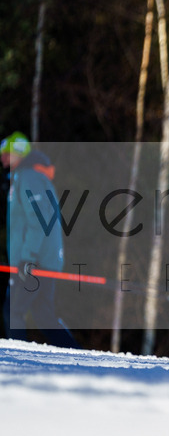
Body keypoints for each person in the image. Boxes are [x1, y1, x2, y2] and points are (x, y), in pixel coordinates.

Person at [2, 132, 79, 347]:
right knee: (44, 316)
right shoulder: (27, 178)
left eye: (6, 153)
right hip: (41, 260)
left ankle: (18, 360)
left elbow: (39, 219)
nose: (2, 158)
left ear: (18, 153)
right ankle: (77, 354)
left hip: (34, 261)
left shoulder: (28, 178)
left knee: (13, 311)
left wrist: (28, 258)